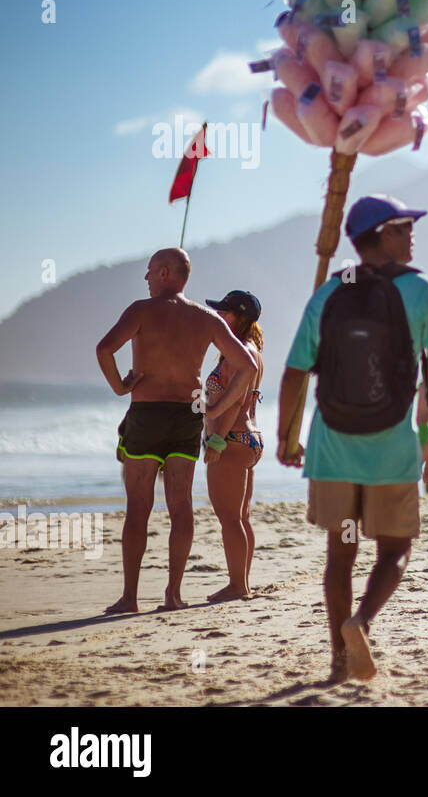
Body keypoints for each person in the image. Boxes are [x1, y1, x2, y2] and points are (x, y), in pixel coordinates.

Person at [277, 195, 428, 683]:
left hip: (332, 444)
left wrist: (286, 438)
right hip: (392, 447)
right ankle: (362, 622)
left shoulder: (331, 291)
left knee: (341, 553)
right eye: (403, 225)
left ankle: (338, 655)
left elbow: (294, 374)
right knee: (395, 549)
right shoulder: (423, 291)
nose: (412, 232)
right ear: (381, 234)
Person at [96, 248, 256, 614]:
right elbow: (246, 365)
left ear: (166, 273)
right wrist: (214, 407)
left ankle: (130, 598)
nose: (146, 278)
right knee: (181, 506)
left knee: (138, 507)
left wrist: (121, 387)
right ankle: (173, 596)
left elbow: (104, 349)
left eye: (151, 271)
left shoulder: (140, 310)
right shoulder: (206, 317)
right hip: (187, 416)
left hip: (146, 414)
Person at [202, 290, 266, 602]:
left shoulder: (241, 351)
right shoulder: (252, 349)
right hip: (249, 440)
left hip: (230, 440)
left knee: (230, 519)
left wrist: (215, 438)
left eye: (224, 312)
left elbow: (235, 402)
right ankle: (242, 582)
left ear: (239, 318)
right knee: (240, 518)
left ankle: (237, 585)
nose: (218, 316)